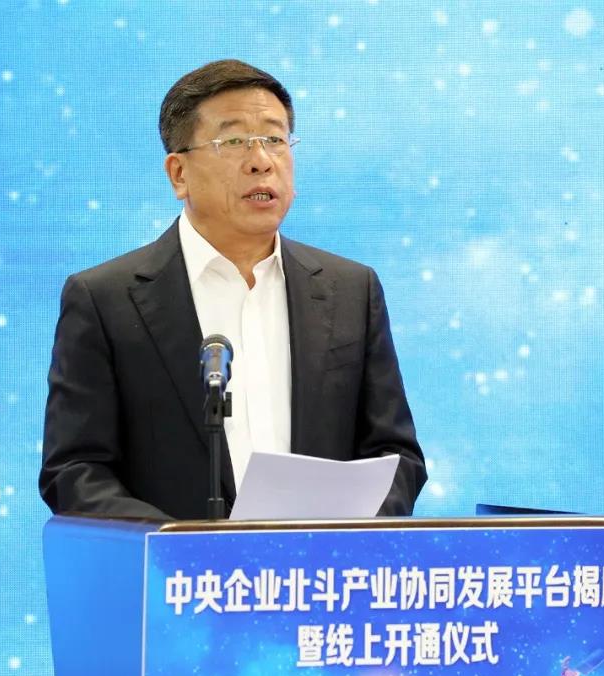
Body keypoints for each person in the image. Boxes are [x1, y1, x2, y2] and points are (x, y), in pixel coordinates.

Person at [39, 59, 425, 520]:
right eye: (235, 141)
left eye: (275, 139)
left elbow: (396, 457)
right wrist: (186, 548)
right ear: (179, 174)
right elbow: (75, 472)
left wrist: (339, 540)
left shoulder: (351, 291)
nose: (262, 161)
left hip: (319, 564)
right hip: (174, 565)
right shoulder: (106, 299)